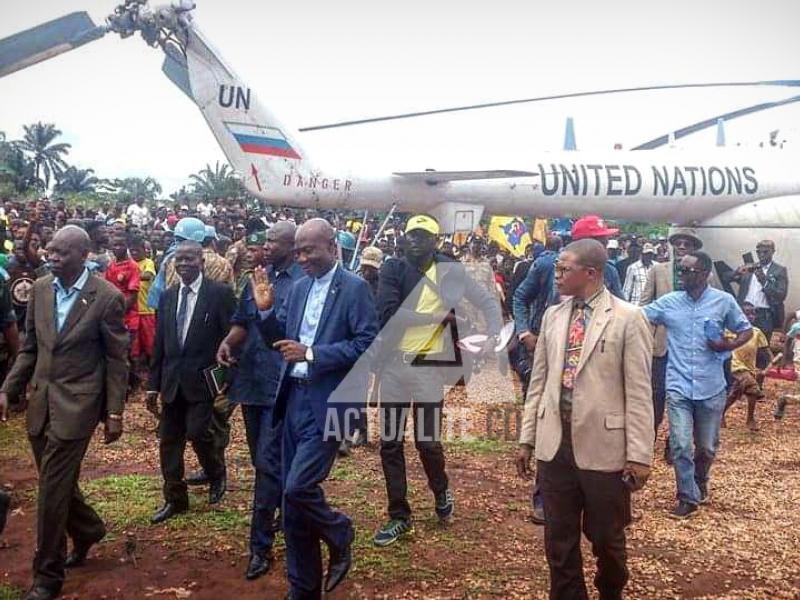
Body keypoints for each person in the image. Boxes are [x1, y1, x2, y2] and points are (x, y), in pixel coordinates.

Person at [515, 238, 654, 600]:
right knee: (558, 541)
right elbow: (539, 382)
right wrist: (527, 438)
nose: (555, 275)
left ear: (590, 273)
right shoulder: (552, 315)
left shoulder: (628, 318)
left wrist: (640, 454)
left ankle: (611, 591)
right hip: (555, 445)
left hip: (604, 448)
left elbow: (639, 391)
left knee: (607, 538)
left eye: (564, 269)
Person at [0, 226, 129, 600]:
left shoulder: (106, 298)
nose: (51, 257)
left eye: (60, 252)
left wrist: (115, 412)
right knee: (59, 483)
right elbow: (29, 349)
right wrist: (8, 388)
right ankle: (88, 528)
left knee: (51, 490)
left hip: (78, 406)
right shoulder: (40, 289)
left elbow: (116, 359)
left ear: (83, 254)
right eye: (50, 251)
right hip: (41, 402)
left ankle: (47, 575)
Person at [253, 218, 378, 599]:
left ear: (333, 248)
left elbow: (368, 343)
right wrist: (266, 313)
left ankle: (341, 532)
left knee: (297, 488)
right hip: (292, 398)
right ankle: (302, 588)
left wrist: (313, 353)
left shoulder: (354, 288)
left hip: (329, 402)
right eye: (299, 251)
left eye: (310, 250)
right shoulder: (300, 287)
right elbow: (283, 343)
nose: (302, 258)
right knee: (293, 510)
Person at [372, 215, 502, 547]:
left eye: (422, 236)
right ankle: (399, 516)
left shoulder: (450, 270)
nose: (414, 241)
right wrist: (434, 317)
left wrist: (494, 332)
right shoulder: (392, 269)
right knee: (390, 443)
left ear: (435, 242)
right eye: (410, 235)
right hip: (393, 367)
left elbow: (487, 300)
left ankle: (441, 489)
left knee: (428, 442)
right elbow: (387, 316)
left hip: (428, 368)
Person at [216, 223, 303, 581]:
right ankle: (285, 505)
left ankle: (260, 546)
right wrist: (228, 342)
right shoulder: (257, 277)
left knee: (268, 464)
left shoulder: (303, 283)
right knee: (261, 460)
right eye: (264, 241)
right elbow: (243, 321)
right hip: (251, 380)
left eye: (272, 241)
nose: (265, 247)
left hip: (280, 385)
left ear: (292, 246)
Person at [643, 251, 752, 518]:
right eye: (679, 270)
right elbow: (638, 317)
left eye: (686, 271)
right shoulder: (668, 303)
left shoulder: (723, 302)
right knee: (680, 443)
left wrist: (728, 345)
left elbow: (746, 330)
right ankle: (686, 497)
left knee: (706, 446)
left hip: (711, 386)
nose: (680, 275)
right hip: (678, 384)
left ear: (704, 274)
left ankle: (700, 480)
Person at [147, 241, 236, 524]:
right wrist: (153, 384)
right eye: (178, 259)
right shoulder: (168, 296)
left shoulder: (219, 294)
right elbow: (160, 342)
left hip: (204, 380)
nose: (183, 264)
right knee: (168, 440)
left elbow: (231, 338)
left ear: (201, 261)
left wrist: (228, 378)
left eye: (189, 259)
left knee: (198, 433)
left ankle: (215, 471)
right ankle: (175, 498)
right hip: (172, 380)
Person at [640, 227, 704, 463]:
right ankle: (646, 444)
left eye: (687, 244)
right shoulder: (658, 271)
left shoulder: (702, 274)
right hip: (660, 346)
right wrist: (645, 339)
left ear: (694, 249)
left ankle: (674, 445)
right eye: (679, 243)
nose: (682, 247)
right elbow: (644, 307)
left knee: (683, 397)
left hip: (688, 347)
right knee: (655, 396)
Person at [722, 302, 771, 431]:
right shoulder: (729, 330)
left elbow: (766, 352)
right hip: (734, 364)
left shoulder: (757, 332)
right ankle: (750, 419)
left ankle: (721, 413)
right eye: (747, 313)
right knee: (752, 386)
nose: (750, 316)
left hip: (749, 367)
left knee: (736, 393)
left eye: (753, 313)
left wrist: (770, 366)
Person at [727, 240, 788, 340]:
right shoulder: (750, 267)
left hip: (764, 316)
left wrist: (764, 281)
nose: (761, 255)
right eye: (759, 252)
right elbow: (726, 278)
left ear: (773, 252)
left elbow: (781, 295)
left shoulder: (779, 270)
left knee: (762, 348)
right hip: (743, 313)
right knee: (741, 345)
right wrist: (736, 272)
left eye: (765, 252)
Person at [105, 233, 141, 382]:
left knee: (129, 349)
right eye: (115, 245)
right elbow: (106, 288)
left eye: (121, 245)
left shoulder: (133, 267)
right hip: (113, 314)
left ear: (126, 246)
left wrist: (118, 312)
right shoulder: (111, 266)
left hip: (129, 316)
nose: (118, 248)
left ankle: (132, 380)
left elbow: (132, 296)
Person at [569, 215, 623, 298]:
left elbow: (621, 304)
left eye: (606, 242)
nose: (607, 245)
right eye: (603, 242)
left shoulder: (609, 271)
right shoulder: (565, 271)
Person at [130, 237, 157, 376]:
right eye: (132, 250)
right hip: (132, 311)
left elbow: (147, 275)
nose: (134, 253)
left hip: (147, 309)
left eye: (137, 250)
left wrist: (131, 275)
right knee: (134, 345)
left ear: (144, 251)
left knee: (150, 343)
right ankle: (137, 375)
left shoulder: (148, 262)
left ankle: (154, 372)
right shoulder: (128, 264)